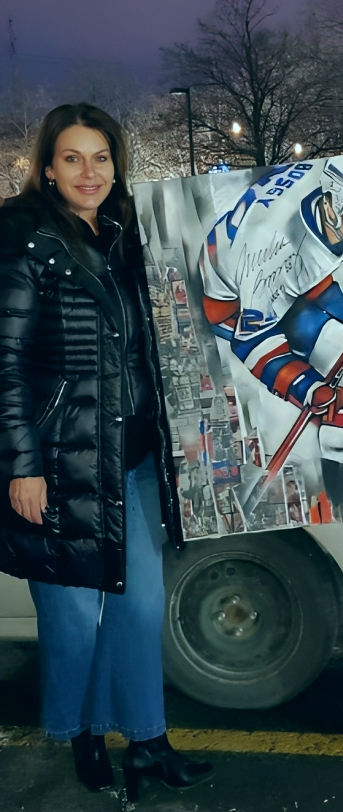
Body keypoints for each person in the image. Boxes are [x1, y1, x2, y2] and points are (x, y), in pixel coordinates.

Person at [0, 104, 212, 802]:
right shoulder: (24, 236)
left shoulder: (127, 235)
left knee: (140, 608)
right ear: (49, 167)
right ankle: (85, 730)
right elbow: (6, 361)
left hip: (135, 457)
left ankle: (147, 741)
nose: (88, 172)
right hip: (62, 461)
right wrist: (21, 466)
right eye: (72, 158)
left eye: (101, 157)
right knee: (72, 617)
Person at [200, 153, 343, 519]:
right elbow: (250, 340)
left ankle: (335, 445)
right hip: (236, 300)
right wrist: (306, 386)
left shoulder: (329, 184)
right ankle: (337, 462)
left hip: (300, 269)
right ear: (331, 205)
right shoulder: (268, 256)